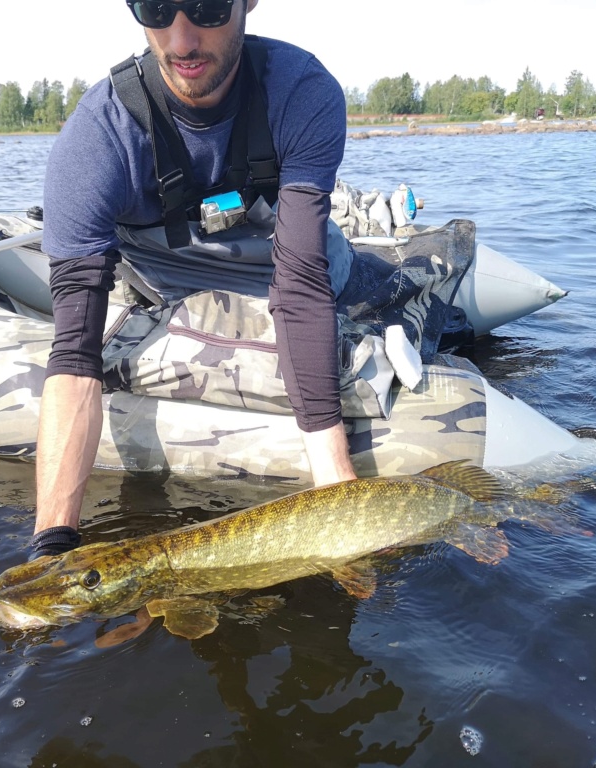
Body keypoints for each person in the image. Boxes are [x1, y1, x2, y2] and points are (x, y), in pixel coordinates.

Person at [30, 0, 357, 558]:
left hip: (279, 257)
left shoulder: (303, 91)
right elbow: (74, 353)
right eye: (156, 9)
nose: (181, 40)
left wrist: (338, 492)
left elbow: (301, 285)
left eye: (206, 7)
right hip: (160, 270)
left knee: (352, 280)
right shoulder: (96, 138)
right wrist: (53, 545)